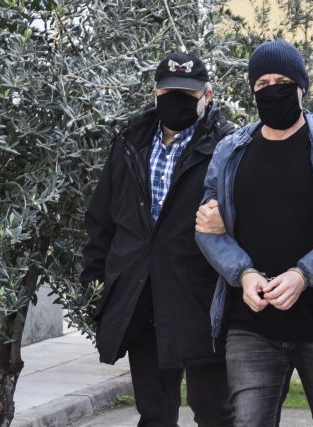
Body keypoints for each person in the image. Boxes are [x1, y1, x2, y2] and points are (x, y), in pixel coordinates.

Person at [194, 39, 313, 427]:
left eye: (282, 81)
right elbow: (207, 228)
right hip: (250, 320)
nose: (272, 89)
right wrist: (243, 273)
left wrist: (303, 274)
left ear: (301, 87)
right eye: (262, 84)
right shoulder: (231, 152)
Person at [80, 52, 235, 426]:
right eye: (169, 92)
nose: (177, 100)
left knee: (215, 412)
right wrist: (96, 286)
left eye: (187, 93)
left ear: (208, 95)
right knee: (154, 414)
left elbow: (248, 218)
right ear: (155, 93)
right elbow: (102, 221)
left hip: (201, 302)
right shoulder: (130, 142)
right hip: (141, 298)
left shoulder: (227, 146)